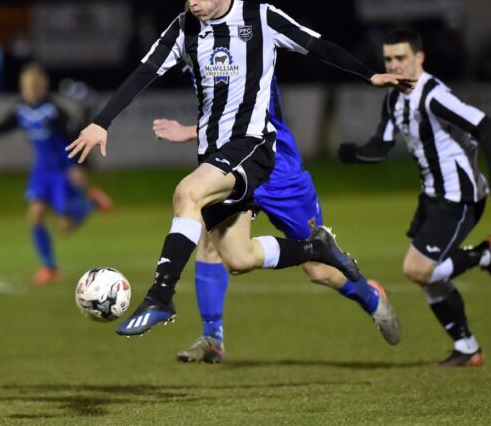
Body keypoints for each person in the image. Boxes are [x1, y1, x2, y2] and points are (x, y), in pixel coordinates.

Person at [66, 0, 414, 337]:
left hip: (258, 148)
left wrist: (369, 76)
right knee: (237, 257)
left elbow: (316, 45)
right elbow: (146, 70)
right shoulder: (184, 28)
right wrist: (102, 122)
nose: (192, 2)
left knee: (188, 195)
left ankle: (161, 296)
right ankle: (314, 250)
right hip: (217, 154)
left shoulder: (261, 18)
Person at [153, 75, 401, 364]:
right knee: (211, 239)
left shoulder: (252, 35)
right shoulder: (196, 49)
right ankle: (212, 337)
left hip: (278, 169)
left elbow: (248, 107)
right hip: (235, 164)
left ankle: (371, 297)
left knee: (319, 270)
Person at [337, 28, 491, 367]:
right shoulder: (394, 97)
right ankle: (467, 347)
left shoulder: (433, 95)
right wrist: (355, 154)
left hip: (460, 197)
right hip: (433, 197)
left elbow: (488, 127)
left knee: (418, 269)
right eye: (389, 59)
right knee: (428, 277)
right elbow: (382, 145)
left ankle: (481, 256)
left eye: (401, 58)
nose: (394, 64)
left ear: (418, 58)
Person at [0, 63, 112, 284]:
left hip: (63, 172)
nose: (33, 89)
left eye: (37, 85)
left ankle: (92, 202)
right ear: (22, 87)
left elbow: (76, 135)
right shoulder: (20, 110)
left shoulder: (54, 110)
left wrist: (79, 166)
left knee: (65, 226)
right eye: (29, 85)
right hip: (42, 171)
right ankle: (49, 268)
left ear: (44, 86)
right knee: (35, 215)